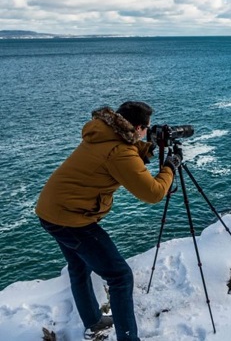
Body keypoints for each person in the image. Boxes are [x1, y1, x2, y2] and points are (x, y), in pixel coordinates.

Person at [35, 101, 181, 341]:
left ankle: (93, 323)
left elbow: (126, 154)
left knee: (79, 267)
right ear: (136, 127)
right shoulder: (119, 152)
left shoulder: (104, 134)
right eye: (146, 128)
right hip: (69, 218)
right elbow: (153, 193)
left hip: (52, 209)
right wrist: (170, 166)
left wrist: (151, 145)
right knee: (120, 276)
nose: (147, 131)